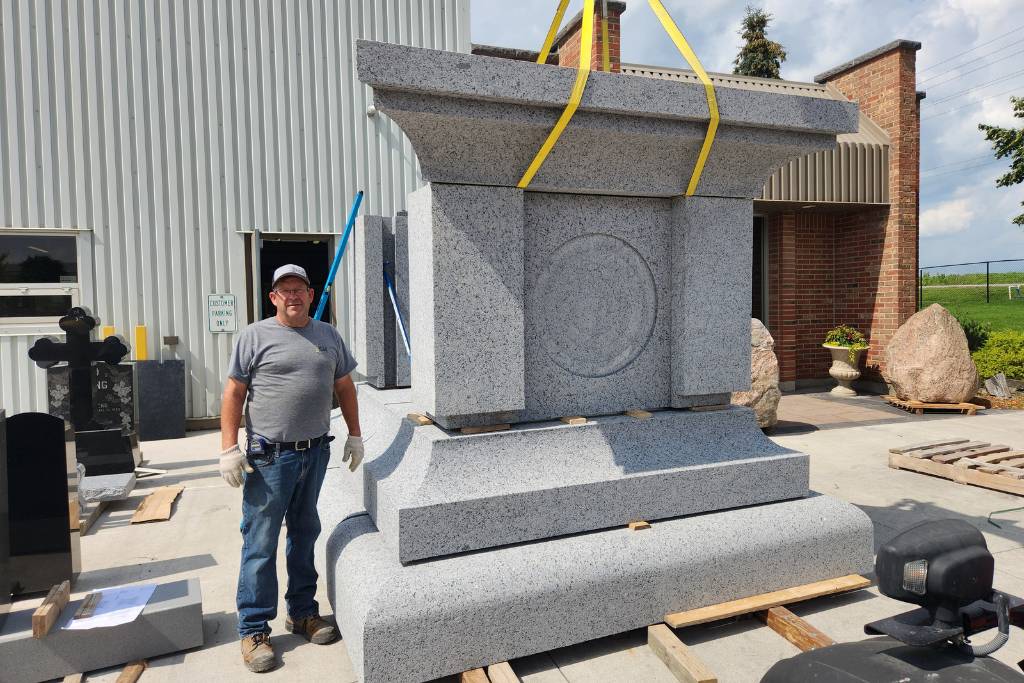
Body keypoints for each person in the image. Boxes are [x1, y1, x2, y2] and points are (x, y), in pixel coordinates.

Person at [219, 264, 364, 673]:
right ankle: (253, 629)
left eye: (300, 289)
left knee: (305, 533)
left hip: (314, 452)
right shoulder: (254, 336)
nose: (293, 296)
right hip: (270, 458)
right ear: (273, 298)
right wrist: (228, 447)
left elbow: (345, 387)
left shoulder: (327, 336)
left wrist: (355, 434)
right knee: (260, 541)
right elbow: (233, 392)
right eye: (285, 291)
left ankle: (302, 612)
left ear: (311, 293)